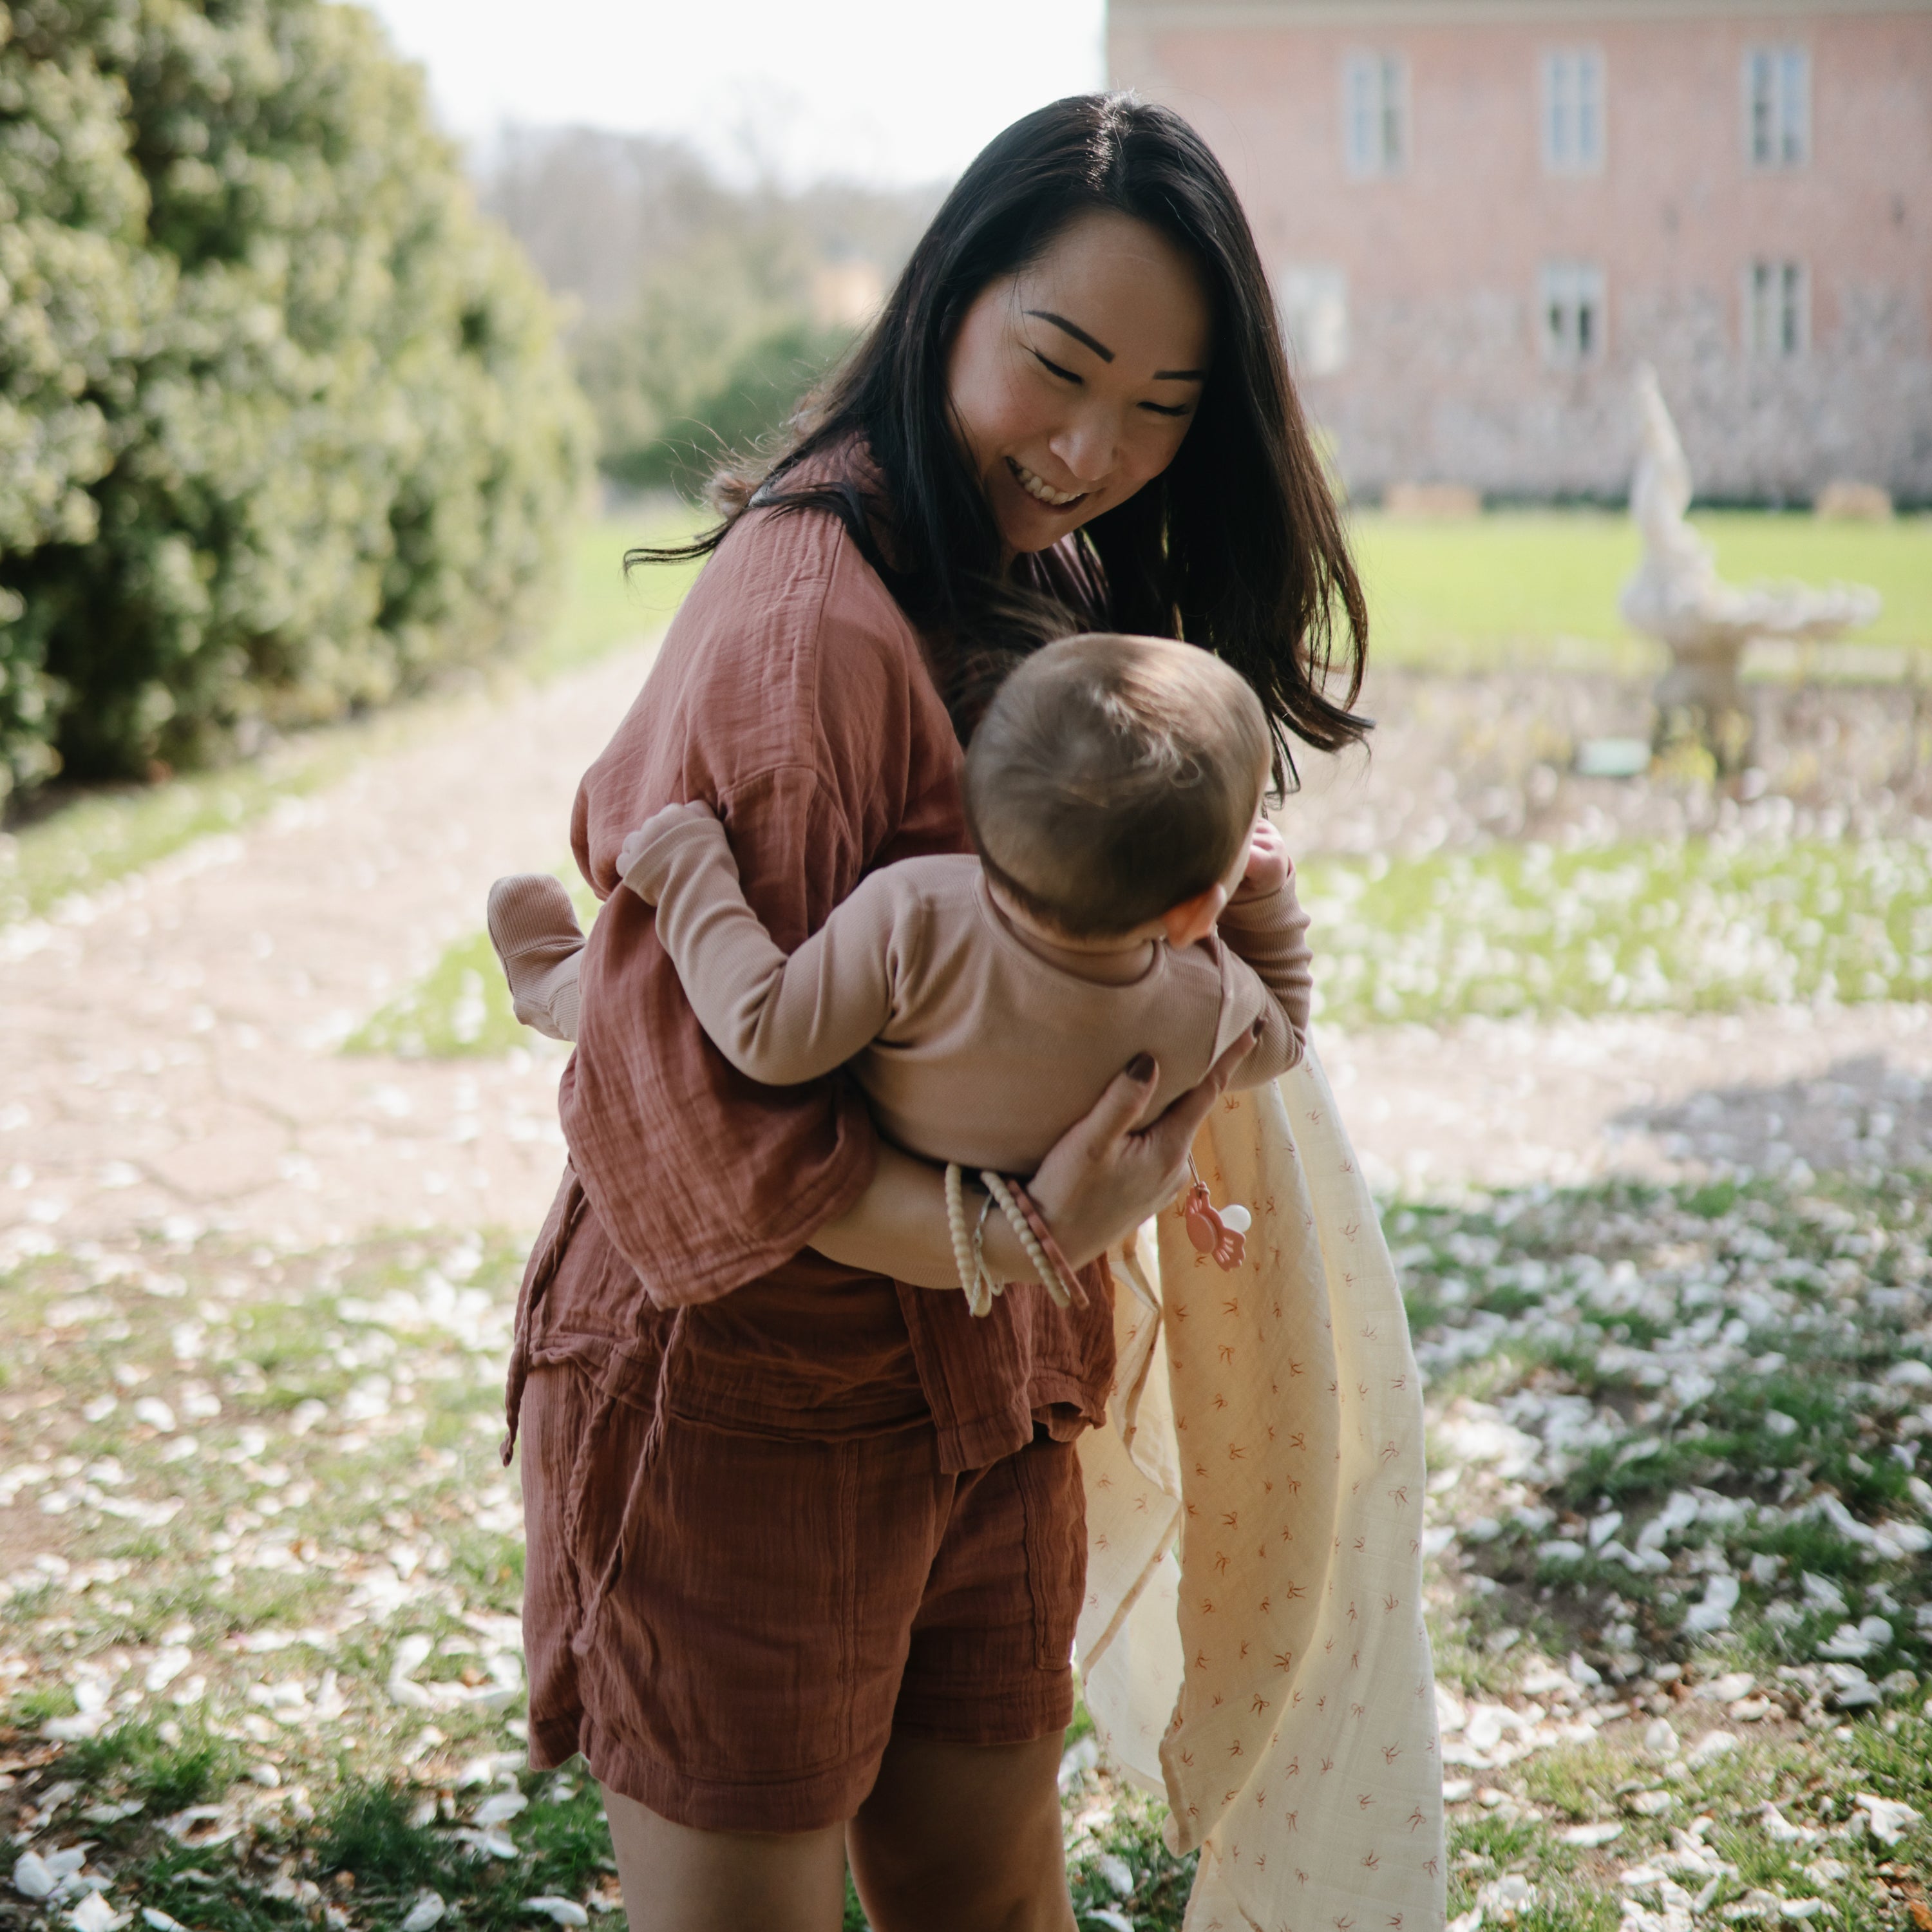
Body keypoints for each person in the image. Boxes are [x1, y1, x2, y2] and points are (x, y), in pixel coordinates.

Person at [501, 92, 1368, 1932]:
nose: (1090, 448)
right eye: (1059, 366)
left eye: (1162, 408)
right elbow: (711, 1122)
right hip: (755, 1406)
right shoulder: (806, 625)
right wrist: (1033, 1229)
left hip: (982, 1386)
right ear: (949, 297)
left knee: (985, 1896)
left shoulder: (1024, 559)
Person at [487, 634, 1316, 1244]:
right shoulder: (1207, 1003)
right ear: (1194, 911)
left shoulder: (917, 910)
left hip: (860, 1132)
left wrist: (689, 873)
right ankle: (569, 981)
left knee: (668, 991)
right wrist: (1265, 901)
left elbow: (766, 1037)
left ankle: (561, 985)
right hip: (985, 1187)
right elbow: (1287, 1029)